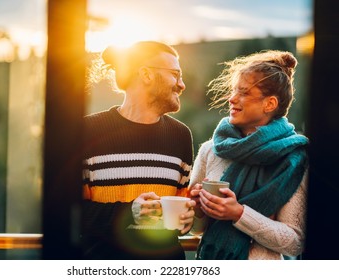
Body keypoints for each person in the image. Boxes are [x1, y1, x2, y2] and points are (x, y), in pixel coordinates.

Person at [189, 50, 309, 260]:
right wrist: (199, 209)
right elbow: (196, 229)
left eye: (243, 93)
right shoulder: (211, 150)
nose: (232, 99)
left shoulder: (294, 159)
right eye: (234, 91)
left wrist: (238, 213)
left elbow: (295, 242)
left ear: (269, 104)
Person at [81, 41, 196, 260]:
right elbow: (71, 214)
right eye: (175, 74)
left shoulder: (181, 135)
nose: (181, 85)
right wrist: (129, 213)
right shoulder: (88, 130)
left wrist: (186, 219)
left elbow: (179, 210)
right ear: (146, 74)